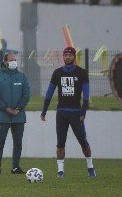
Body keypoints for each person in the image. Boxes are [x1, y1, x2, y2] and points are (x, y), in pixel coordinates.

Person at [40, 46, 96, 179]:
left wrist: (84, 110)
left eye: (70, 55)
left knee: (83, 141)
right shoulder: (57, 73)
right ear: (63, 57)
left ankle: (90, 168)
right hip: (61, 113)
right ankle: (60, 171)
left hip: (76, 112)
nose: (68, 57)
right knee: (60, 142)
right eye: (66, 55)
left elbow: (86, 95)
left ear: (74, 57)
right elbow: (49, 93)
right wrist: (44, 111)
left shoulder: (82, 73)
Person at [0, 50, 30, 174]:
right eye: (11, 60)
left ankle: (16, 167)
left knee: (18, 143)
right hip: (2, 116)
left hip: (19, 116)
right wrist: (6, 109)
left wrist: (17, 109)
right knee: (0, 142)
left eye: (15, 60)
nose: (14, 62)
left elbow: (26, 95)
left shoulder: (22, 76)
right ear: (5, 62)